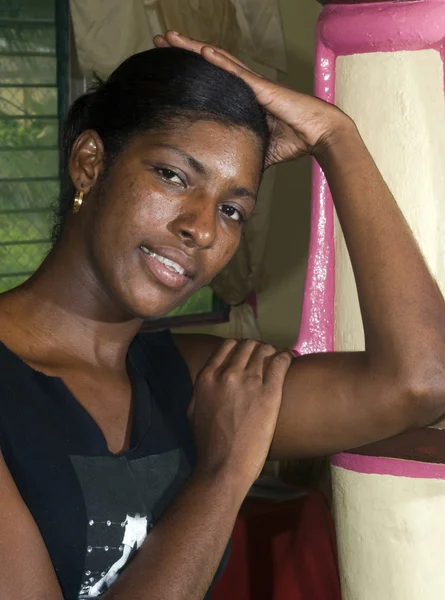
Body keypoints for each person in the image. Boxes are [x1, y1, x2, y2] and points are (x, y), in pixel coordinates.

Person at [1, 30, 445, 600]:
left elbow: (422, 379)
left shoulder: (191, 381)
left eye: (233, 209)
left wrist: (338, 138)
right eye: (173, 176)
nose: (202, 229)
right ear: (90, 163)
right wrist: (224, 473)